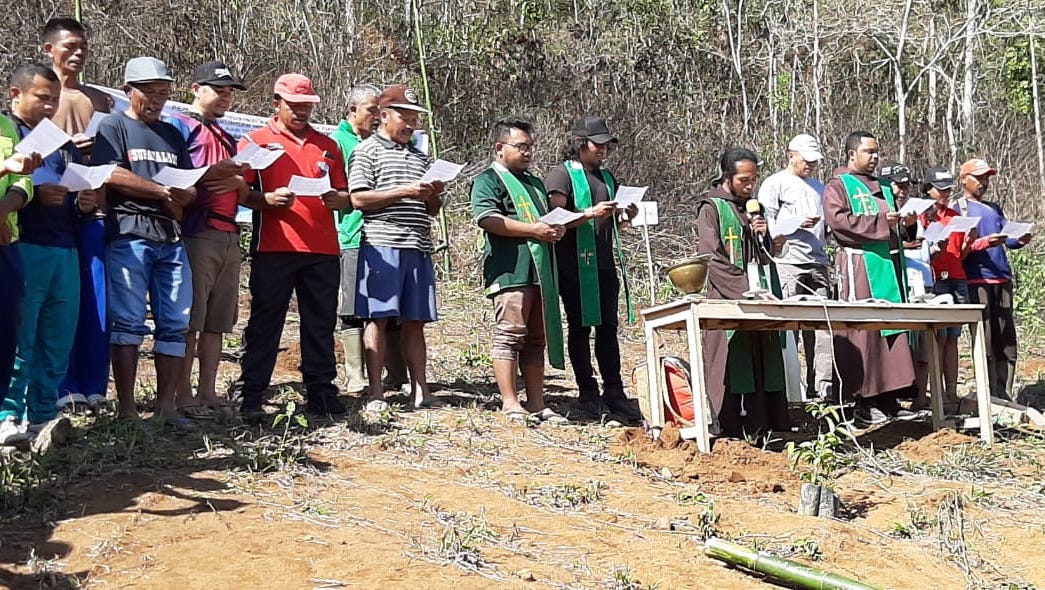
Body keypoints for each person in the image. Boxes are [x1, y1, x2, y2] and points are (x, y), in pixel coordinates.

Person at [231, 73, 353, 418]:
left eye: (307, 107)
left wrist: (337, 199)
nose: (301, 112)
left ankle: (321, 393)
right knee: (266, 320)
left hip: (322, 249)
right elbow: (241, 193)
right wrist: (267, 198)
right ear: (276, 103)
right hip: (275, 246)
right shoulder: (256, 141)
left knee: (320, 321)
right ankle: (251, 393)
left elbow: (345, 195)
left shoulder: (328, 145)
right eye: (294, 106)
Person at [91, 57, 197, 424]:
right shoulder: (114, 125)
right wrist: (160, 191)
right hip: (129, 233)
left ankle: (167, 407)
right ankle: (127, 410)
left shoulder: (172, 133)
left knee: (175, 322)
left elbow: (188, 182)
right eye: (148, 92)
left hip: (171, 235)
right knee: (128, 322)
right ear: (128, 92)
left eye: (163, 93)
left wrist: (185, 195)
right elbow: (108, 171)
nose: (156, 100)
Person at [1, 64, 97, 443]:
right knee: (20, 336)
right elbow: (20, 187)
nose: (49, 106)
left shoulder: (57, 141)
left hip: (64, 247)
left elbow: (65, 191)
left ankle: (44, 415)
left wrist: (82, 204)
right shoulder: (7, 132)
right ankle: (9, 416)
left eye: (54, 100)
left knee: (57, 336)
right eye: (43, 98)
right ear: (15, 95)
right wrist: (33, 196)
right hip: (24, 245)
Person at [349, 84, 445, 411]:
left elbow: (433, 208)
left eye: (415, 118)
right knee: (378, 318)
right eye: (404, 116)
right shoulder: (366, 151)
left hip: (417, 245)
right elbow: (359, 198)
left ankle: (421, 390)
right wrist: (403, 191)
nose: (411, 123)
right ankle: (376, 393)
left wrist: (433, 192)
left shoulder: (421, 156)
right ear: (384, 115)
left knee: (415, 320)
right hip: (382, 245)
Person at [470, 116, 568, 423]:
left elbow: (547, 220)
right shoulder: (488, 180)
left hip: (540, 272)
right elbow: (488, 218)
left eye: (530, 147)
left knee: (537, 338)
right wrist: (533, 230)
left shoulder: (535, 183)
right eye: (520, 147)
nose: (527, 153)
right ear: (500, 148)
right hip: (511, 270)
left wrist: (555, 229)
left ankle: (538, 402)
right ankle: (510, 402)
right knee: (510, 335)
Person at [544, 115, 640, 421]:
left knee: (608, 329)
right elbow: (555, 217)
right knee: (580, 327)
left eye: (607, 146)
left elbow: (614, 224)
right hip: (574, 264)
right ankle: (587, 390)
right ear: (579, 143)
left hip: (603, 264)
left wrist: (626, 215)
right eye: (597, 145)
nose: (603, 151)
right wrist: (589, 213)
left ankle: (614, 389)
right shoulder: (561, 175)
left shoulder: (608, 178)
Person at [168, 61, 249, 419]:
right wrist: (207, 177)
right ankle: (181, 394)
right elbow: (173, 178)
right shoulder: (179, 128)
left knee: (218, 321)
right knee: (192, 320)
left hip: (229, 232)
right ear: (195, 89)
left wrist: (239, 183)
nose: (225, 97)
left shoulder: (227, 137)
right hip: (196, 232)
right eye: (219, 89)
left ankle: (208, 393)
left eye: (230, 91)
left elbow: (241, 190)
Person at [822, 131, 917, 426]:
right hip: (860, 264)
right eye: (869, 152)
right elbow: (839, 223)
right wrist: (879, 222)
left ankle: (890, 397)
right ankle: (864, 400)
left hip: (888, 264)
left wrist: (907, 225)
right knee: (864, 330)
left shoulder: (885, 186)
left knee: (890, 329)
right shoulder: (838, 186)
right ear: (852, 154)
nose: (875, 157)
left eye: (877, 152)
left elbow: (896, 230)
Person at [696, 148, 790, 439]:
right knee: (732, 362)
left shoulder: (754, 207)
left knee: (763, 359)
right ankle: (730, 427)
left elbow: (763, 257)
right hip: (728, 297)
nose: (750, 186)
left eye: (754, 180)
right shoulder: (711, 207)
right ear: (727, 177)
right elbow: (709, 256)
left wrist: (765, 236)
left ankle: (764, 427)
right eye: (744, 180)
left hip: (757, 295)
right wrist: (745, 290)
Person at [44, 17, 113, 412]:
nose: (77, 53)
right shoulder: (40, 95)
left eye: (83, 46)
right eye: (69, 46)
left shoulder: (98, 100)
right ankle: (60, 388)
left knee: (97, 304)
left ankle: (94, 387)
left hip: (94, 211)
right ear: (49, 49)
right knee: (59, 303)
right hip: (51, 213)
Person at [330, 83, 397, 395]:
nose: (376, 117)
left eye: (380, 111)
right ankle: (355, 373)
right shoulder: (338, 142)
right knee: (352, 305)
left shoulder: (385, 143)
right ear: (352, 110)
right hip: (352, 234)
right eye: (371, 110)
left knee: (387, 306)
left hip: (387, 236)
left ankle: (393, 372)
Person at [756, 133, 832, 400]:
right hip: (787, 262)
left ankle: (822, 386)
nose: (810, 165)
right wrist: (796, 224)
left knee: (822, 326)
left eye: (814, 161)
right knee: (789, 325)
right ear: (791, 155)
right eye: (806, 160)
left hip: (817, 261)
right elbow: (765, 225)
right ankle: (790, 387)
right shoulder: (775, 184)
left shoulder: (819, 187)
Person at [956, 158, 1032, 401]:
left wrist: (1019, 239)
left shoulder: (994, 208)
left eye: (986, 178)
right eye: (979, 178)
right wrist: (982, 243)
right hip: (976, 280)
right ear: (964, 179)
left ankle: (1005, 391)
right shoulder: (959, 209)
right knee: (985, 338)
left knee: (1006, 339)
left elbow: (1008, 237)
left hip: (1002, 279)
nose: (984, 183)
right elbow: (956, 249)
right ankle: (989, 394)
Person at [0, 116, 41, 443]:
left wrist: (1, 211)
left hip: (6, 244)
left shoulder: (7, 126)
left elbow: (23, 180)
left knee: (6, 336)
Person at [919, 166, 973, 413]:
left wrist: (971, 241)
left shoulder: (955, 216)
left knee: (953, 338)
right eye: (940, 190)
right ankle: (936, 391)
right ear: (928, 189)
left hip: (957, 277)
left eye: (948, 189)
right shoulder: (922, 216)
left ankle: (951, 390)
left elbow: (961, 253)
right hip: (935, 278)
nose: (945, 194)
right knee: (937, 338)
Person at [883, 162, 930, 411]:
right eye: (898, 185)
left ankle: (913, 391)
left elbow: (911, 238)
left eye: (906, 186)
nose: (902, 190)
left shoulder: (912, 210)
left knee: (915, 338)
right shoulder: (880, 206)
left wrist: (909, 225)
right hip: (886, 274)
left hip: (913, 280)